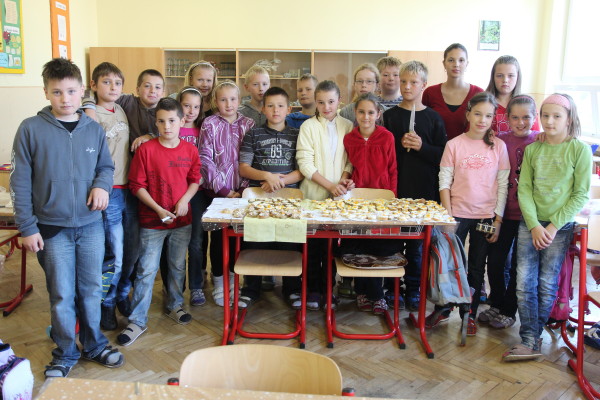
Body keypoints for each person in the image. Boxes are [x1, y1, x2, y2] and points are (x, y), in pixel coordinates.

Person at [11, 58, 124, 378]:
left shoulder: (93, 129)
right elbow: (20, 182)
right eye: (57, 92)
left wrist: (102, 186)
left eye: (71, 91)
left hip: (90, 226)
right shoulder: (30, 129)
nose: (65, 98)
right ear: (46, 92)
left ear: (82, 90)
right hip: (51, 229)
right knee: (61, 293)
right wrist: (27, 227)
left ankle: (93, 344)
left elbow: (106, 167)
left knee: (91, 290)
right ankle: (65, 352)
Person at [503, 94, 591, 361]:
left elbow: (580, 195)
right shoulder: (533, 149)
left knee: (546, 283)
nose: (549, 121)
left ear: (569, 119)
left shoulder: (579, 150)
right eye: (545, 116)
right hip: (530, 225)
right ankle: (530, 339)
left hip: (558, 228)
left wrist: (552, 227)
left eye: (556, 116)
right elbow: (525, 189)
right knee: (523, 282)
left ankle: (532, 338)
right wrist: (534, 225)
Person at [117, 98, 200, 346]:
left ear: (182, 121)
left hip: (182, 221)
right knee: (146, 270)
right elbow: (137, 185)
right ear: (156, 123)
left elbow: (195, 180)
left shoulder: (190, 150)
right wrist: (158, 208)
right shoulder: (146, 150)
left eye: (172, 121)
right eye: (161, 121)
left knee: (177, 265)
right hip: (152, 221)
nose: (167, 126)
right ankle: (137, 320)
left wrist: (185, 200)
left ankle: (175, 305)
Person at [431, 92, 510, 337]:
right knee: (448, 264)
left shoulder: (499, 146)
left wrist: (498, 220)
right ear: (468, 114)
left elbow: (503, 185)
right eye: (477, 114)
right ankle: (444, 308)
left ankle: (470, 314)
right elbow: (444, 181)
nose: (482, 120)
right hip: (457, 215)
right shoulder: (454, 144)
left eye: (488, 116)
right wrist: (447, 217)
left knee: (476, 266)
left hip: (485, 216)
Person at [382, 60, 447, 311]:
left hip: (424, 193)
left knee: (417, 247)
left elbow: (443, 156)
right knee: (391, 243)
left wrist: (422, 147)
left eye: (413, 82)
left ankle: (413, 289)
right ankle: (392, 289)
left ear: (424, 85)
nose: (407, 86)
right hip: (395, 192)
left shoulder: (433, 118)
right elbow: (384, 155)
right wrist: (399, 146)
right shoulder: (389, 116)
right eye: (404, 81)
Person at [238, 86, 304, 308]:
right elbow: (244, 168)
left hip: (289, 199)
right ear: (263, 109)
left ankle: (292, 288)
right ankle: (251, 288)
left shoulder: (297, 135)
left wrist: (279, 181)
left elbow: (302, 170)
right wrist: (266, 175)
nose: (276, 110)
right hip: (259, 198)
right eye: (270, 106)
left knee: (290, 243)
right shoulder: (253, 134)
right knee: (255, 242)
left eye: (280, 106)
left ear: (289, 109)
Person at [479, 95, 540, 329]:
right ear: (506, 118)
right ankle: (496, 301)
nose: (521, 122)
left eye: (526, 117)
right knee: (495, 261)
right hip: (501, 214)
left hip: (528, 216)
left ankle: (508, 310)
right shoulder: (500, 140)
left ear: (534, 117)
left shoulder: (540, 140)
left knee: (518, 266)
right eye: (515, 117)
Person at [296, 80, 354, 310]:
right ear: (315, 102)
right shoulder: (308, 126)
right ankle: (312, 289)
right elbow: (305, 163)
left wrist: (343, 180)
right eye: (321, 102)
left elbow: (350, 160)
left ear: (339, 101)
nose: (326, 107)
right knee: (312, 246)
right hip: (312, 196)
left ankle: (329, 289)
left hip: (338, 198)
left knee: (331, 247)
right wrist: (330, 186)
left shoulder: (348, 126)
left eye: (331, 101)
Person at [89, 62, 136, 331]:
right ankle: (106, 304)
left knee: (130, 252)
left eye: (117, 83)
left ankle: (120, 296)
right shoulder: (89, 113)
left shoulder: (120, 109)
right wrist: (87, 102)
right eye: (106, 82)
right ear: (94, 85)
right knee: (113, 255)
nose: (113, 87)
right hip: (109, 192)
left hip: (130, 189)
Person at [199, 81, 254, 306]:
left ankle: (234, 281)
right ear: (215, 101)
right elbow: (205, 158)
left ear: (239, 101)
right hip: (217, 195)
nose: (228, 104)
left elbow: (253, 158)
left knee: (238, 238)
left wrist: (242, 190)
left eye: (232, 99)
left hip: (242, 193)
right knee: (219, 239)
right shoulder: (209, 124)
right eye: (223, 99)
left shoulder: (248, 124)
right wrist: (223, 190)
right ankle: (220, 281)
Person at [343, 93, 397, 314]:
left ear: (378, 114)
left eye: (371, 112)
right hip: (357, 201)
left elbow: (392, 169)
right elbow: (349, 167)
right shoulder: (349, 138)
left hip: (381, 202)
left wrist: (392, 198)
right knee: (359, 247)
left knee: (377, 248)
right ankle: (361, 292)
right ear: (355, 113)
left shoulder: (387, 137)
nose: (366, 117)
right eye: (361, 112)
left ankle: (377, 295)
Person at [177, 86, 209, 306]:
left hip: (197, 191)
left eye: (196, 107)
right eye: (186, 105)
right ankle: (175, 286)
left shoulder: (203, 130)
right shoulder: (171, 127)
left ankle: (196, 285)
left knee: (196, 241)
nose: (191, 111)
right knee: (175, 242)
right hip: (173, 191)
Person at [422, 43, 483, 140]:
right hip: (435, 149)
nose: (456, 64)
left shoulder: (478, 94)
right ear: (444, 64)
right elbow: (424, 126)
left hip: (468, 149)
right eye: (451, 60)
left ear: (467, 64)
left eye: (461, 60)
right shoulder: (430, 93)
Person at [485, 55, 540, 135]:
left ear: (517, 77)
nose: (505, 80)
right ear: (493, 77)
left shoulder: (527, 105)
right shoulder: (483, 104)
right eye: (500, 76)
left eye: (510, 76)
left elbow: (535, 136)